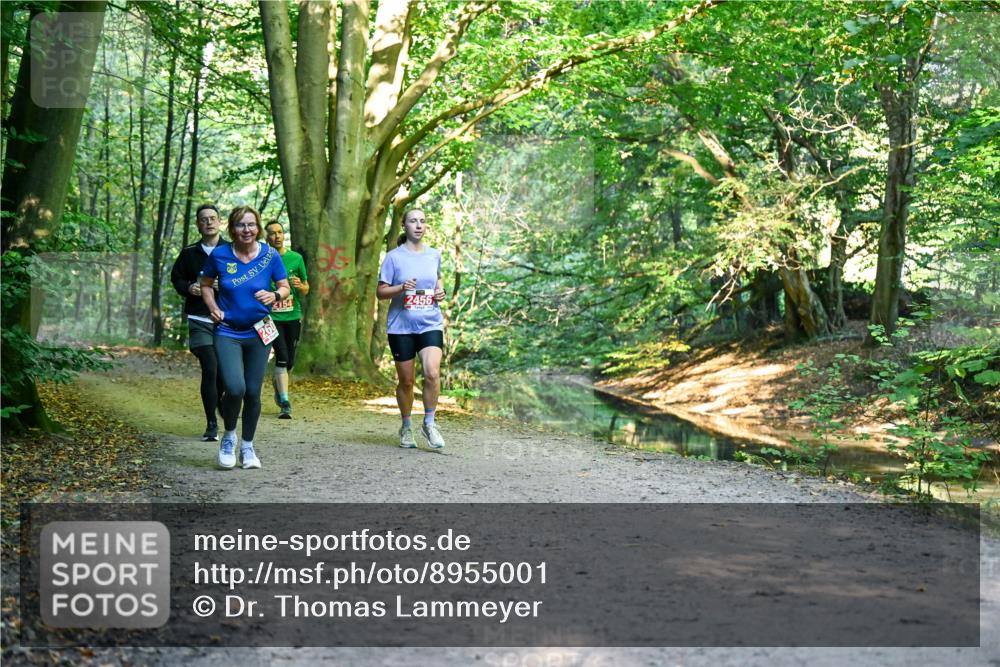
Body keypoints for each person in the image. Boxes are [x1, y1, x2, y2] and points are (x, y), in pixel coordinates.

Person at [201, 205, 290, 470]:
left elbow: (285, 287)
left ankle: (248, 446)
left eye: (251, 225)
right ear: (232, 229)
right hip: (228, 331)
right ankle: (229, 436)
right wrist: (213, 307)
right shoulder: (220, 255)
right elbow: (205, 285)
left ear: (258, 228)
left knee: (252, 392)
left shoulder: (270, 256)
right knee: (235, 388)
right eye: (241, 225)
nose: (247, 230)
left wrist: (275, 295)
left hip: (260, 331)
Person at [376, 208, 448, 449]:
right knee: (406, 382)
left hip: (430, 322)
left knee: (432, 373)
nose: (418, 225)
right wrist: (400, 288)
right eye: (413, 221)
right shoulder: (393, 257)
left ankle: (429, 423)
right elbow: (381, 292)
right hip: (401, 327)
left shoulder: (434, 255)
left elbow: (438, 279)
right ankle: (406, 426)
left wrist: (440, 290)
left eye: (422, 221)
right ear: (404, 226)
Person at [169, 203, 225, 441]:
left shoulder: (232, 250)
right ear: (198, 224)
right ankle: (211, 423)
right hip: (199, 318)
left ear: (220, 221)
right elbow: (176, 278)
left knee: (224, 373)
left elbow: (247, 281)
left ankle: (220, 402)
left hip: (227, 321)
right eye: (204, 219)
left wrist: (226, 285)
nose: (209, 222)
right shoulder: (189, 252)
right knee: (210, 367)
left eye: (212, 218)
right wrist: (189, 288)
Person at [264, 221, 309, 419]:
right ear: (266, 237)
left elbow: (307, 287)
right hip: (269, 317)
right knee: (281, 355)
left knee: (289, 360)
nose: (277, 236)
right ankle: (285, 402)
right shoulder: (261, 259)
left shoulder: (296, 258)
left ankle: (279, 384)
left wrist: (301, 286)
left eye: (280, 232)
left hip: (292, 315)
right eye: (272, 233)